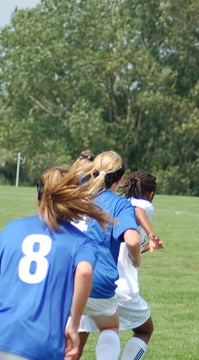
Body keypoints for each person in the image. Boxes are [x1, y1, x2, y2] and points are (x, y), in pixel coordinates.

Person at [0, 167, 112, 360]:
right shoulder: (81, 242)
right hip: (37, 343)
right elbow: (84, 271)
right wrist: (74, 324)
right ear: (75, 201)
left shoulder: (12, 229)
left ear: (38, 197)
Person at [80, 170, 164, 360]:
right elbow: (138, 209)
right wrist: (152, 234)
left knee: (80, 341)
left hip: (95, 283)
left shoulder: (115, 204)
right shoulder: (139, 205)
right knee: (144, 330)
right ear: (151, 194)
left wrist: (143, 247)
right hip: (122, 287)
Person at [74, 151, 143, 360]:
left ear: (93, 172)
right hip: (97, 280)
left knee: (69, 341)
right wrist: (136, 259)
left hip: (65, 278)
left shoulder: (75, 197)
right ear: (120, 178)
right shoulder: (119, 204)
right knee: (110, 328)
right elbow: (133, 240)